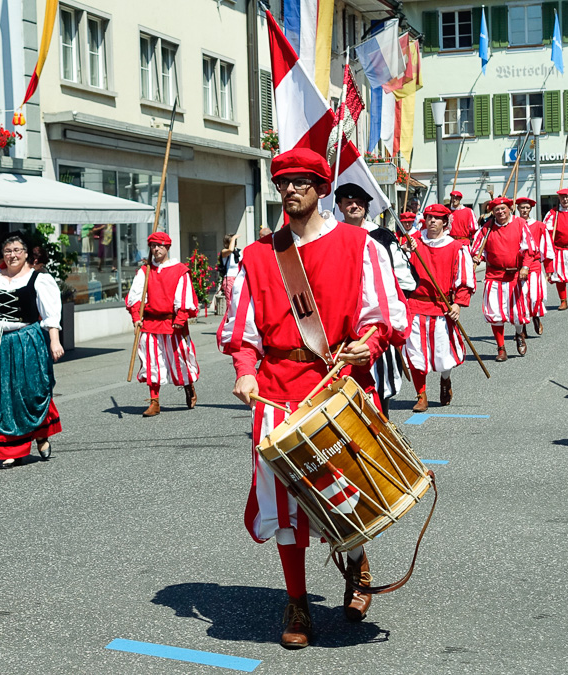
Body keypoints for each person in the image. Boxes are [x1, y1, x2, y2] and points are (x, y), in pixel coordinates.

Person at [217, 147, 407, 649]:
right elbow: (242, 330)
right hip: (278, 390)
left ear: (321, 188)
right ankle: (297, 600)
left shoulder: (360, 246)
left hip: (341, 385)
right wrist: (244, 371)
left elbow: (383, 312)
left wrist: (372, 342)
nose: (292, 190)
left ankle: (357, 559)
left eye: (302, 182)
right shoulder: (259, 256)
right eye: (284, 183)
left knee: (348, 491)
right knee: (285, 503)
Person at [0, 233, 64, 468]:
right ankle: (9, 448)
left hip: (27, 339)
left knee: (32, 390)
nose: (12, 255)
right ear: (3, 254)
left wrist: (54, 341)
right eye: (8, 251)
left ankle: (41, 433)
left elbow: (51, 313)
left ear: (25, 254)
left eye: (17, 251)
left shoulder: (38, 279)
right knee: (1, 393)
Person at [333, 183, 415, 417]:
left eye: (359, 202)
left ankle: (383, 430)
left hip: (375, 327)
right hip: (342, 328)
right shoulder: (330, 238)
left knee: (381, 388)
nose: (354, 206)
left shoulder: (381, 237)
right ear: (339, 206)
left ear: (366, 206)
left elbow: (407, 280)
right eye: (348, 202)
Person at [405, 204, 475, 411]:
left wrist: (458, 303)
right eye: (429, 217)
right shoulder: (413, 244)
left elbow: (464, 278)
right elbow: (399, 274)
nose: (432, 221)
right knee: (416, 353)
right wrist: (405, 254)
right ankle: (421, 395)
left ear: (445, 222)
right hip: (416, 306)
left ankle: (445, 380)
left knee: (443, 357)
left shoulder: (456, 247)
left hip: (442, 307)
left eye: (437, 218)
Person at [126, 231, 200, 416]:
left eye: (159, 245)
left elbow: (184, 295)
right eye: (153, 245)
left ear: (167, 247)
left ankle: (188, 387)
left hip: (172, 322)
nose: (156, 249)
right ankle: (154, 401)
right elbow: (135, 296)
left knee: (180, 359)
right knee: (152, 362)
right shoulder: (145, 271)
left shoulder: (179, 270)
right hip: (150, 323)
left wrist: (180, 317)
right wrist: (136, 316)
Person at [472, 197, 533, 362]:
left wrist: (525, 267)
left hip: (515, 275)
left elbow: (529, 248)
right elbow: (476, 248)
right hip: (494, 276)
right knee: (496, 313)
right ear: (493, 212)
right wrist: (478, 257)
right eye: (497, 209)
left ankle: (520, 333)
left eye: (503, 208)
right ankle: (501, 348)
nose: (500, 212)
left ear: (509, 209)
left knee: (517, 314)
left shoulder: (520, 224)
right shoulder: (487, 228)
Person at [515, 197, 553, 336]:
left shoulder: (539, 226)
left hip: (535, 265)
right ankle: (522, 327)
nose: (524, 210)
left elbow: (547, 248)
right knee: (520, 297)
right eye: (522, 208)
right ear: (518, 209)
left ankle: (536, 317)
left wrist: (549, 269)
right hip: (518, 266)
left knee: (535, 296)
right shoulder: (514, 224)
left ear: (530, 209)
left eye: (527, 208)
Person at [219, 233, 241, 311]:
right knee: (231, 303)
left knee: (239, 302)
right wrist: (233, 238)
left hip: (239, 278)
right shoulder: (224, 252)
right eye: (233, 241)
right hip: (230, 279)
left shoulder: (239, 252)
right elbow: (230, 250)